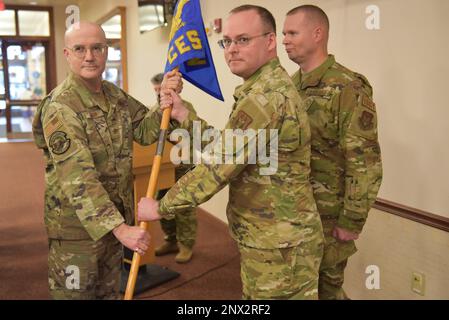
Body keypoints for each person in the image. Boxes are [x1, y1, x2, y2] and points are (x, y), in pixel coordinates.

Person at [138, 5, 324, 300]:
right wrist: (184, 114)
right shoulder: (260, 88)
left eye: (243, 40)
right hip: (272, 236)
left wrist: (160, 208)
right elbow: (225, 147)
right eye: (227, 42)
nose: (231, 50)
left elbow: (216, 167)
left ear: (270, 41)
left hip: (279, 244)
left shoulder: (264, 97)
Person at [32, 21, 180, 299]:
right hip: (77, 231)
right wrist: (121, 229)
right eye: (80, 49)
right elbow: (79, 179)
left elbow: (146, 131)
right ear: (67, 54)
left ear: (106, 51)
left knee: (108, 293)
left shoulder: (114, 95)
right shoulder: (61, 106)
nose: (89, 56)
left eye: (97, 48)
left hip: (112, 223)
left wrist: (164, 99)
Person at [282, 5, 383, 299]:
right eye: (283, 33)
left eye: (292, 32)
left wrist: (351, 221)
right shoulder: (289, 86)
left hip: (328, 216)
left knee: (326, 289)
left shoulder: (347, 87)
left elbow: (364, 163)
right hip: (293, 211)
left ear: (317, 34)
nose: (285, 39)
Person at [150, 73, 197, 263]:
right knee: (162, 203)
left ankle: (186, 245)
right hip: (163, 167)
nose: (158, 93)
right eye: (155, 90)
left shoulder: (185, 108)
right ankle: (170, 239)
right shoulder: (156, 110)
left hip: (183, 164)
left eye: (160, 89)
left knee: (184, 207)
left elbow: (188, 135)